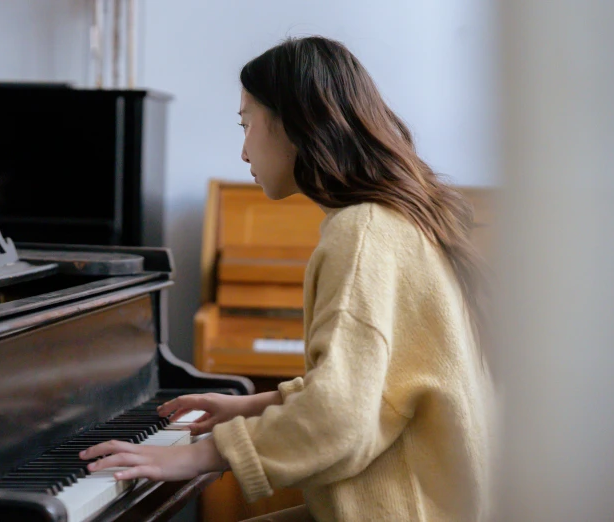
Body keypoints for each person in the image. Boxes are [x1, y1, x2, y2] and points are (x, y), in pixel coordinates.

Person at [79, 35, 495, 522]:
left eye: (246, 124)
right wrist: (259, 404)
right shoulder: (397, 217)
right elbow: (383, 385)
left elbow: (341, 419)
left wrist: (195, 455)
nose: (242, 151)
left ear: (295, 125)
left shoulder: (360, 233)